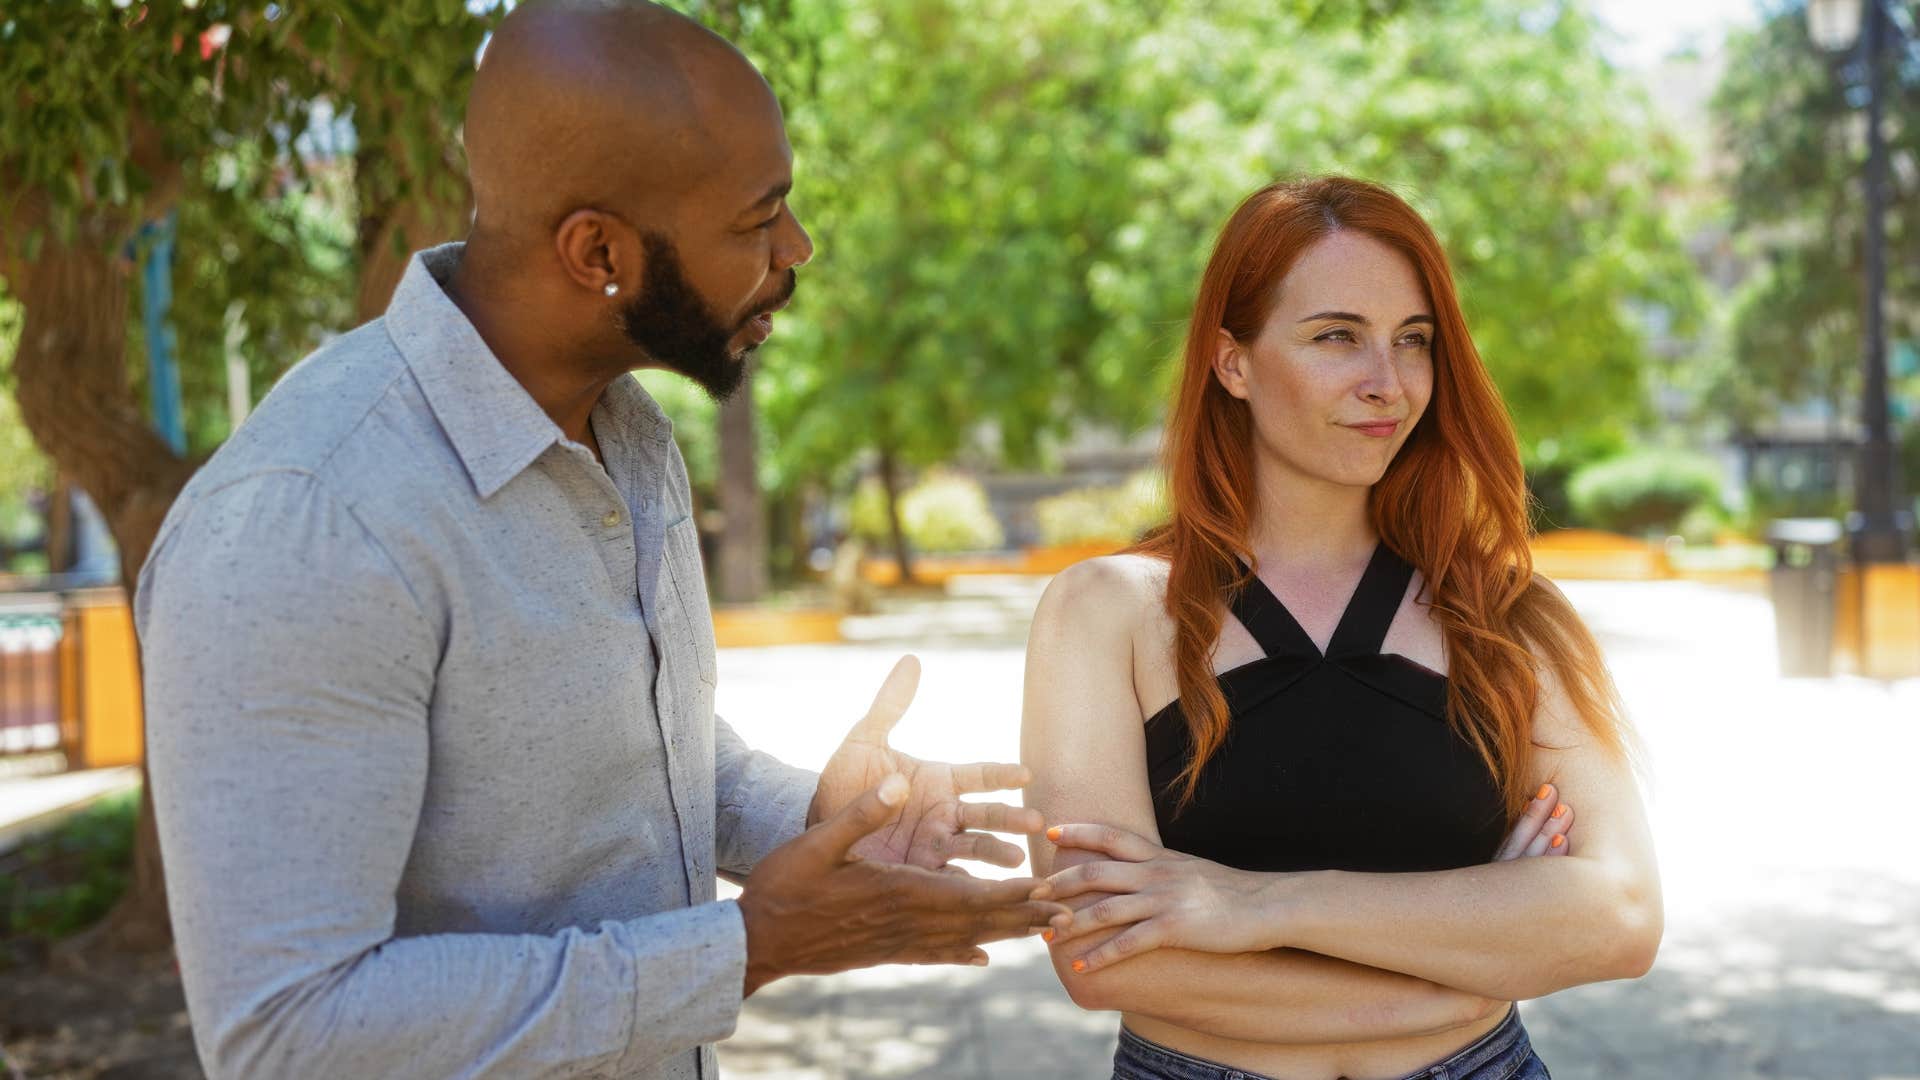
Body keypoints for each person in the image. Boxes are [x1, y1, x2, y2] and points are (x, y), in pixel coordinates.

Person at [135, 3, 1067, 1077]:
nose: (796, 253)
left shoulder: (626, 429)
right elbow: (291, 1033)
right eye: (757, 222)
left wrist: (812, 814)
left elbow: (622, 764)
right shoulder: (310, 524)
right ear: (598, 253)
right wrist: (751, 949)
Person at [1020, 176, 1661, 1080]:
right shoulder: (1106, 612)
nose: (1386, 383)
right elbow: (1103, 956)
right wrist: (1467, 978)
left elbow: (1623, 916)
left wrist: (1259, 906)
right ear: (1231, 361)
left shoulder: (1505, 613)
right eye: (1336, 338)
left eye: (1413, 342)